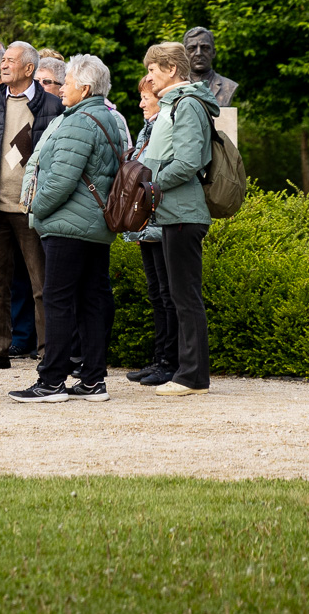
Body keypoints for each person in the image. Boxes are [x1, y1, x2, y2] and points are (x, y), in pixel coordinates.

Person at [7, 55, 122, 402]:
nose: (61, 89)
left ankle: (52, 381)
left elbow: (59, 181)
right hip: (95, 224)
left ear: (84, 88)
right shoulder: (107, 118)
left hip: (69, 225)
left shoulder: (78, 122)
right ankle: (93, 380)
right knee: (91, 300)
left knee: (57, 300)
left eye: (67, 82)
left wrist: (34, 209)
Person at [0, 40, 63, 370]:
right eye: (3, 60)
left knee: (41, 284)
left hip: (31, 208)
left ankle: (49, 353)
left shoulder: (51, 105)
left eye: (10, 60)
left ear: (29, 68)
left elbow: (56, 158)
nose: (3, 65)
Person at [142, 41, 219, 397]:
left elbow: (187, 162)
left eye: (152, 70)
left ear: (171, 69)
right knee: (180, 295)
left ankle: (192, 377)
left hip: (184, 214)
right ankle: (190, 373)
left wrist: (151, 185)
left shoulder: (186, 104)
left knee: (185, 297)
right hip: (174, 212)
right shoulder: (177, 103)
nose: (149, 78)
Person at [122, 76, 177, 387]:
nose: (141, 103)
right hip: (147, 224)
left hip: (161, 221)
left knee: (167, 294)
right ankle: (160, 358)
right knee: (156, 293)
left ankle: (170, 362)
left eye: (146, 97)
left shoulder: (164, 125)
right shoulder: (148, 128)